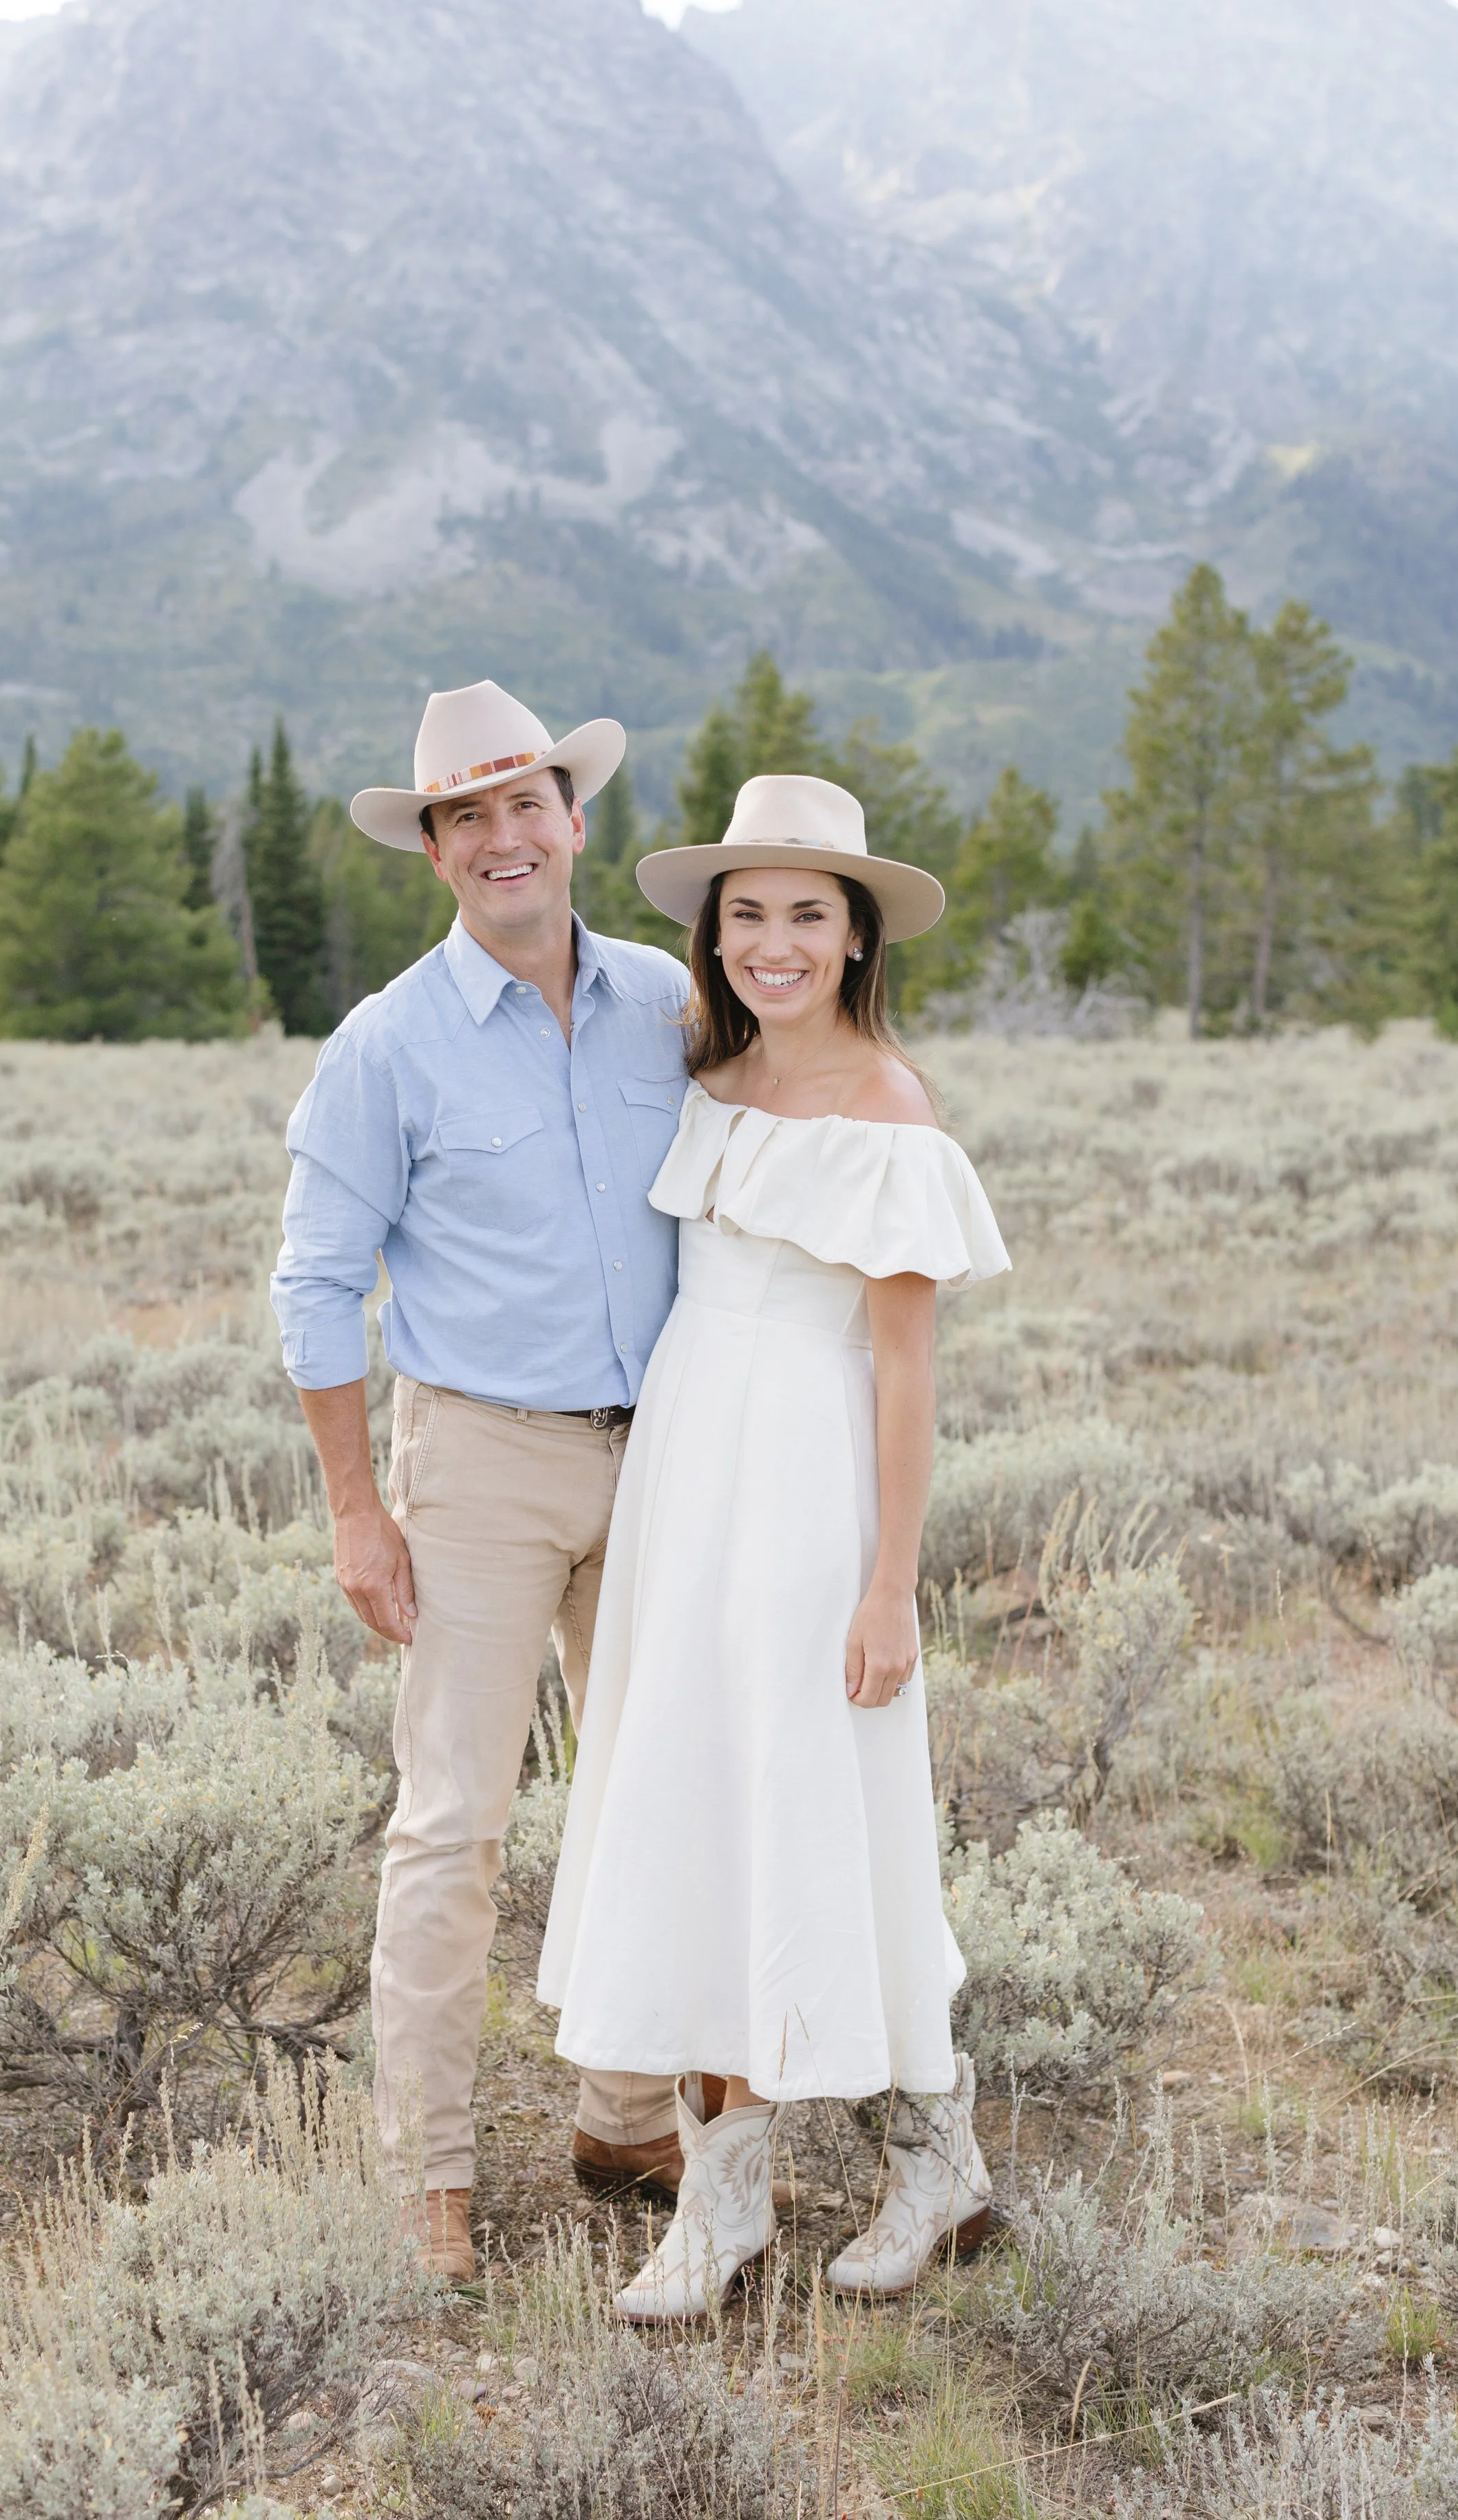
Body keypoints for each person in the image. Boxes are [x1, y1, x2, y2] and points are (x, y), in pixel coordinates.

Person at [537, 771, 1012, 2316]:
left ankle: (937, 2164)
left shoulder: (889, 1109)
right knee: (687, 1805)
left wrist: (889, 1583)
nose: (772, 942)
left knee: (829, 1813)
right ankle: (718, 2206)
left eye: (807, 913)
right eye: (746, 915)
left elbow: (901, 1366)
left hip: (812, 1496)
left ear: (858, 934)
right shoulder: (709, 1079)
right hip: (689, 1481)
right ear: (714, 939)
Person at [270, 679, 690, 2284]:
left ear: (574, 823)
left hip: (662, 1457)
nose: (503, 836)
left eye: (527, 804)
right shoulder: (387, 1045)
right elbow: (316, 1285)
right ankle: (427, 2182)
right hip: (482, 1467)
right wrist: (354, 1506)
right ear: (435, 851)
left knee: (652, 1795)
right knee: (452, 1824)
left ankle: (626, 2114)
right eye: (466, 816)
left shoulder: (667, 1000)